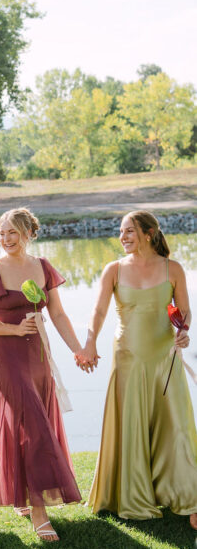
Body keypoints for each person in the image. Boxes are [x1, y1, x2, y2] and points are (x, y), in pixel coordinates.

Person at [0, 208, 86, 541]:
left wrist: (78, 350)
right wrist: (14, 329)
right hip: (6, 355)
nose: (5, 239)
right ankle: (38, 510)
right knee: (33, 424)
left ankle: (24, 492)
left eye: (12, 233)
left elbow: (58, 314)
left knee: (30, 425)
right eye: (1, 233)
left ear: (29, 234)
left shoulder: (43, 267)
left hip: (37, 354)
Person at [84, 211, 197, 528]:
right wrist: (90, 343)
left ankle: (188, 497)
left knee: (176, 425)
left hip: (165, 356)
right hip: (128, 357)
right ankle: (133, 495)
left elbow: (184, 310)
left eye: (129, 231)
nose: (122, 237)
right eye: (121, 231)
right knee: (131, 423)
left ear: (148, 233)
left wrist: (183, 330)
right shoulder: (114, 269)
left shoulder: (173, 268)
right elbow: (98, 310)